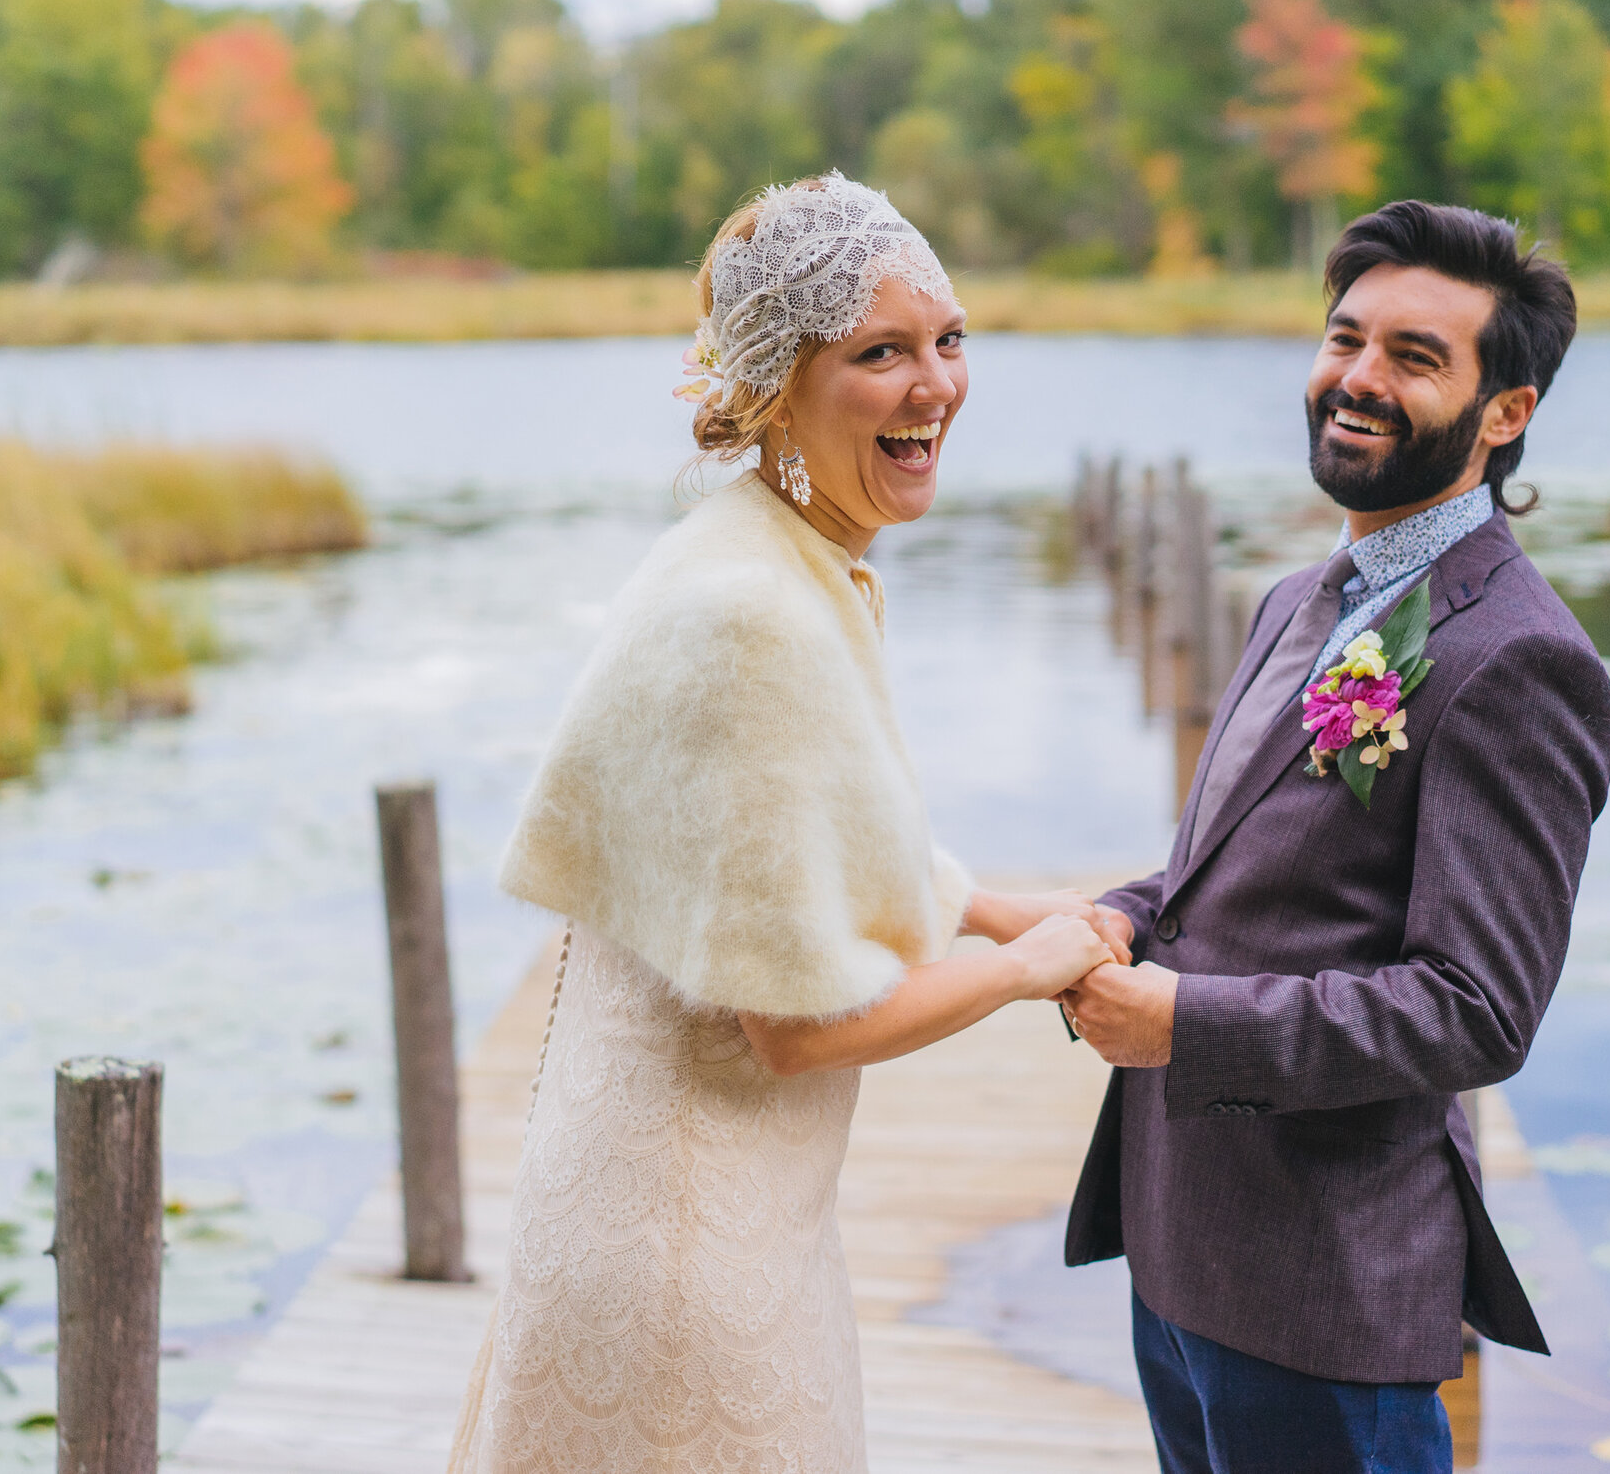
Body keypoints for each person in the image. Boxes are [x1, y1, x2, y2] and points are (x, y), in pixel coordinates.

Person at [449, 172, 1123, 1474]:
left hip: (685, 1203)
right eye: (881, 352)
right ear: (775, 385)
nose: (936, 385)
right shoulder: (754, 612)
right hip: (688, 1245)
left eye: (949, 337)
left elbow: (782, 832)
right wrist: (1019, 967)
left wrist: (983, 902)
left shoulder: (765, 548)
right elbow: (795, 1025)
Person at [1059, 200, 1610, 1474]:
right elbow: (1236, 857)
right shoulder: (1298, 594)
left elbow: (1475, 1009)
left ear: (1504, 412)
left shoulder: (1517, 659)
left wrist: (1182, 1021)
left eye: (1415, 356)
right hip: (1180, 1234)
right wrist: (1125, 914)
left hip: (1322, 1283)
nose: (1357, 378)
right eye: (1344, 338)